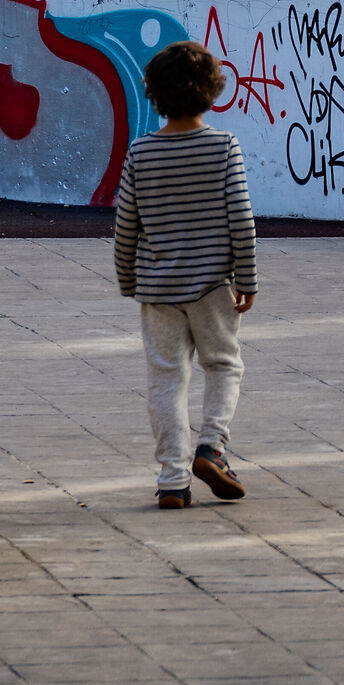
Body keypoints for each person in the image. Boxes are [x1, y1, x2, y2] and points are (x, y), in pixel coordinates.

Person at [114, 39, 258, 508]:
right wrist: (248, 280)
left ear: (154, 95)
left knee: (166, 379)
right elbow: (241, 218)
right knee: (223, 365)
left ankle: (173, 478)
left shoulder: (142, 152)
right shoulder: (223, 147)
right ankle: (212, 448)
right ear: (212, 91)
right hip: (214, 286)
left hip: (158, 290)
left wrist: (128, 281)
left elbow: (126, 226)